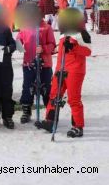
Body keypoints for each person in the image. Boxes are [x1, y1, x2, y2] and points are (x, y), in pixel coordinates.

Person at [36, 8, 91, 138]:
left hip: (75, 70)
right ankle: (50, 121)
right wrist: (50, 50)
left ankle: (78, 126)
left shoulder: (81, 33)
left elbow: (88, 51)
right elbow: (60, 50)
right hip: (60, 69)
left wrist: (74, 47)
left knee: (73, 98)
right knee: (54, 96)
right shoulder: (63, 34)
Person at [16, 2, 56, 124]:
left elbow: (53, 45)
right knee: (27, 87)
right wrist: (18, 45)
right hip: (29, 63)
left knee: (46, 88)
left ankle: (50, 113)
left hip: (44, 64)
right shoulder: (25, 27)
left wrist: (43, 48)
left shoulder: (47, 27)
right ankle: (26, 110)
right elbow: (19, 39)